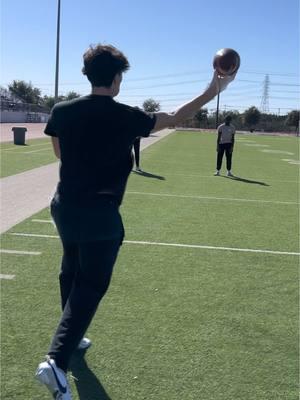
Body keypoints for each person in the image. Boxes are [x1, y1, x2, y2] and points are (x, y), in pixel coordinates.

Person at [35, 43, 236, 399]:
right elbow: (175, 116)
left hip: (64, 205)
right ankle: (56, 361)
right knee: (92, 284)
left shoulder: (62, 110)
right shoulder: (127, 115)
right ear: (116, 79)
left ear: (88, 74)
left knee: (71, 267)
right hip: (100, 214)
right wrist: (213, 90)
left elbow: (59, 153)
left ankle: (73, 336)